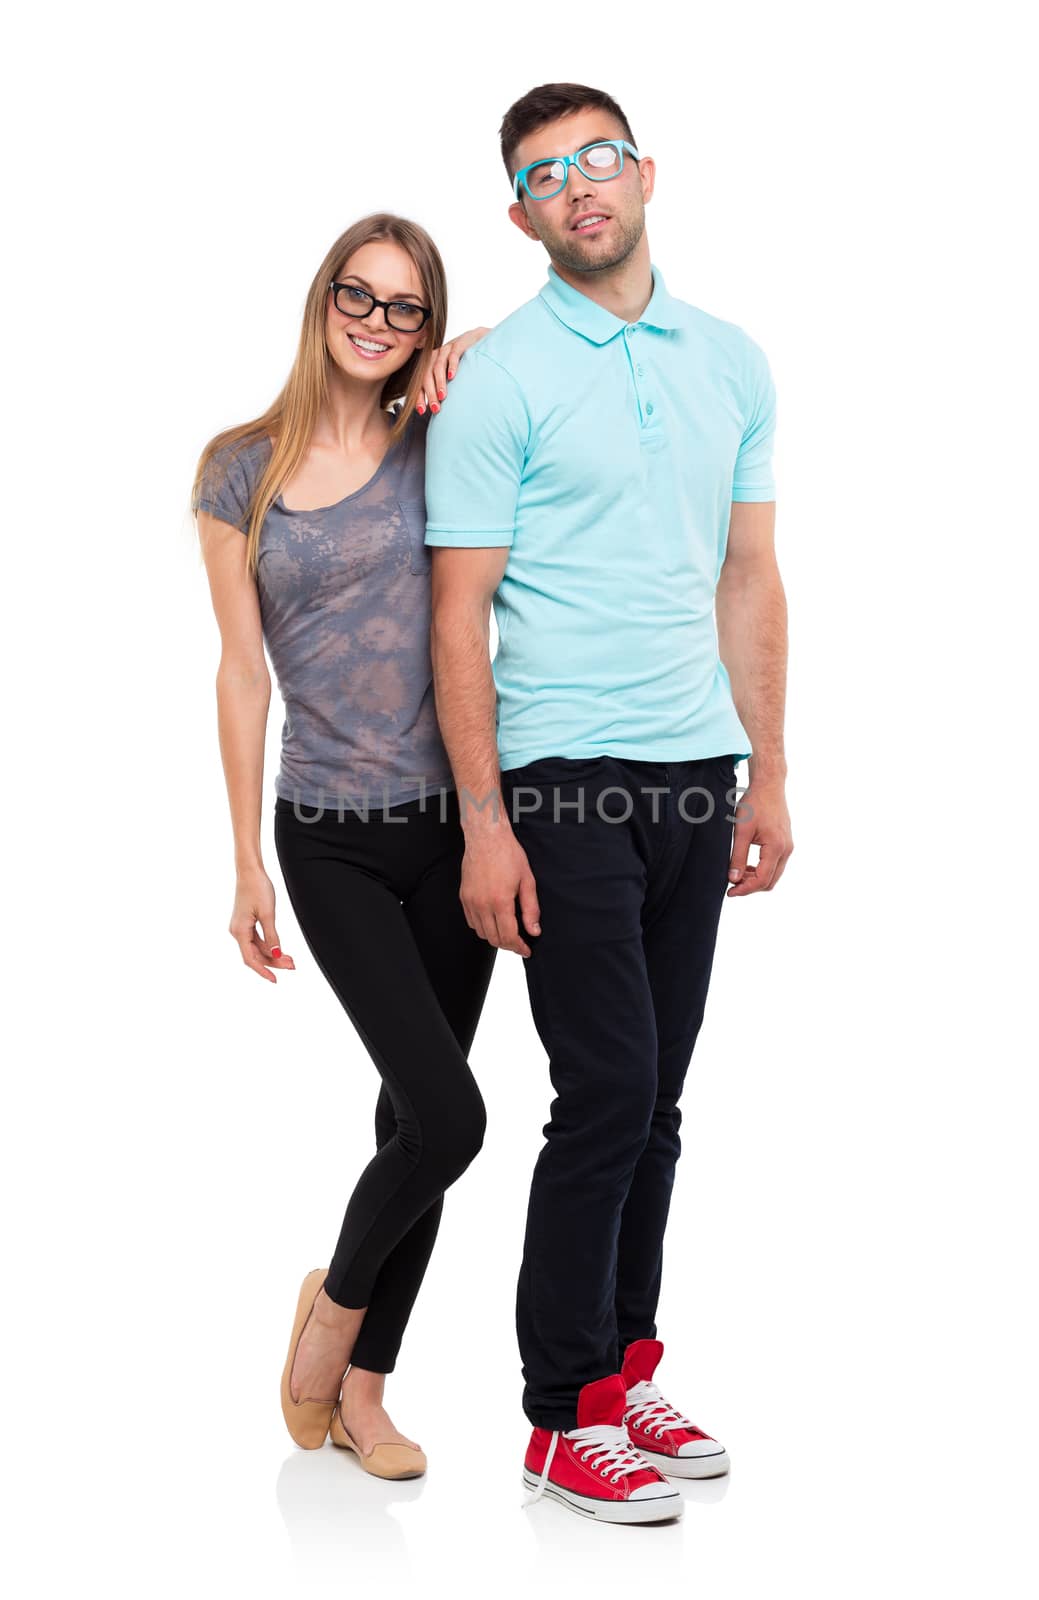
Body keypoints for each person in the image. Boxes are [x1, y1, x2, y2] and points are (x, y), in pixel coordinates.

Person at [423, 83, 793, 1523]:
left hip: (698, 776)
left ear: (643, 174)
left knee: (659, 1105)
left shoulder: (731, 360)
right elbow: (460, 618)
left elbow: (747, 575)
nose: (574, 185)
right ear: (519, 215)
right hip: (560, 778)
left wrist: (767, 765)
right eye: (540, 174)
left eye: (593, 158)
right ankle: (555, 1413)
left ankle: (625, 1369)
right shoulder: (496, 377)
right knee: (606, 1094)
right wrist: (483, 821)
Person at [192, 213, 496, 1478]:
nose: (376, 324)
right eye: (356, 299)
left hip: (457, 826)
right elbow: (240, 671)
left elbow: (531, 353)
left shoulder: (443, 440)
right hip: (326, 835)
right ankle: (331, 1316)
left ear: (425, 325)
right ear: (322, 301)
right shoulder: (236, 466)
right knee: (450, 1114)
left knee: (412, 1123)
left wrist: (476, 341)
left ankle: (363, 1389)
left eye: (406, 309)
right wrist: (245, 862)